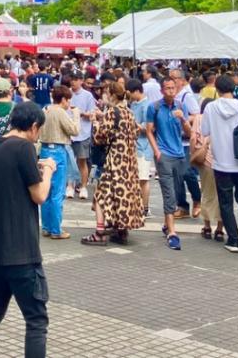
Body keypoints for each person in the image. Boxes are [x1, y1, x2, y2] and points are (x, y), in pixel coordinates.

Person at [0, 101, 54, 358]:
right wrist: (48, 171)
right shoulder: (24, 148)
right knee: (36, 320)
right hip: (21, 252)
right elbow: (38, 194)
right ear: (34, 126)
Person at [199, 75, 238, 254]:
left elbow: (205, 131)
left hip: (221, 164)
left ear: (216, 89)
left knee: (225, 202)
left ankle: (233, 239)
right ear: (234, 88)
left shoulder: (210, 107)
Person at [81, 81, 144, 246]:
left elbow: (99, 137)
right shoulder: (128, 112)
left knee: (101, 195)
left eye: (106, 93)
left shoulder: (111, 112)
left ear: (112, 95)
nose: (104, 96)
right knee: (122, 195)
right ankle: (121, 230)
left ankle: (100, 232)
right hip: (129, 162)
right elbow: (135, 131)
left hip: (114, 162)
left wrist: (95, 121)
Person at [146, 77, 192, 251]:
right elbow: (149, 130)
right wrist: (157, 151)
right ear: (162, 90)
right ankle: (172, 232)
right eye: (167, 88)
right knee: (169, 193)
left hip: (180, 154)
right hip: (164, 155)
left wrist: (183, 120)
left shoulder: (181, 106)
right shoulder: (155, 107)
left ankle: (167, 225)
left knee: (178, 189)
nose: (171, 91)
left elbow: (188, 132)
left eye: (173, 88)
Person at [39, 85, 79, 240]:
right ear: (63, 99)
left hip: (44, 150)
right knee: (57, 192)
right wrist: (75, 115)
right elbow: (74, 130)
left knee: (46, 191)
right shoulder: (60, 112)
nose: (69, 103)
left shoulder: (45, 110)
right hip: (58, 150)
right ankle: (56, 230)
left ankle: (46, 227)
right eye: (68, 100)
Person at [169, 69, 201, 220]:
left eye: (175, 78)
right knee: (176, 175)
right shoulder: (171, 97)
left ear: (182, 80)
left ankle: (197, 199)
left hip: (186, 141)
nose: (172, 81)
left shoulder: (187, 97)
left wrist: (184, 120)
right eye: (170, 78)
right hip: (173, 141)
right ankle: (182, 206)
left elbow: (197, 115)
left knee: (188, 173)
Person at [127, 78, 154, 217]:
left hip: (144, 147)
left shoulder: (147, 105)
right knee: (136, 178)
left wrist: (135, 125)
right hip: (134, 146)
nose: (130, 97)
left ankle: (145, 207)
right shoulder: (134, 104)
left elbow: (149, 127)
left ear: (137, 91)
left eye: (131, 93)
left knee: (143, 179)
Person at [69, 73, 96, 201]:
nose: (73, 82)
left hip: (83, 132)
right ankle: (70, 185)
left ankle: (83, 186)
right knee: (69, 160)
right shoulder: (67, 93)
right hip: (68, 132)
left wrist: (80, 112)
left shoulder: (88, 95)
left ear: (81, 81)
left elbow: (92, 114)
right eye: (71, 80)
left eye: (75, 80)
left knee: (82, 160)